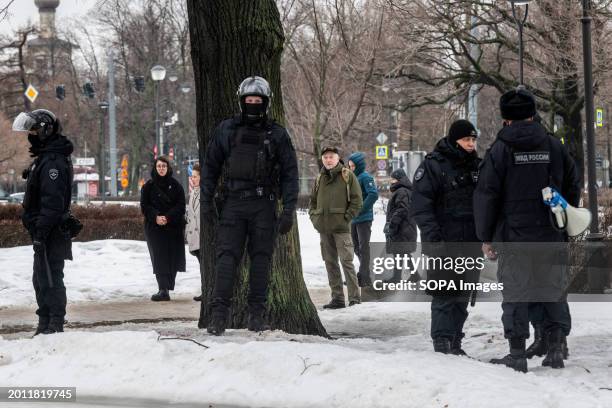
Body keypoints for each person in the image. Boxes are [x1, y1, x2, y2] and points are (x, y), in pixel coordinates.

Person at [474, 88, 581, 372]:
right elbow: (573, 182)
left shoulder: (499, 150)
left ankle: (517, 353)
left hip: (514, 236)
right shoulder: (553, 145)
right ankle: (556, 347)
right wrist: (565, 218)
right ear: (533, 114)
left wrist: (486, 236)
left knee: (516, 293)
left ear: (506, 118)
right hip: (550, 232)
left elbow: (487, 195)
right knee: (553, 288)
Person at [202, 76, 299, 335]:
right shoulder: (227, 130)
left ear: (266, 103)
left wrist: (289, 209)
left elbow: (291, 173)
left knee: (261, 260)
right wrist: (206, 202)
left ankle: (257, 315)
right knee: (226, 259)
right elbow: (210, 167)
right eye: (249, 100)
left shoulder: (277, 134)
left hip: (264, 205)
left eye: (258, 101)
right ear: (242, 101)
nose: (253, 104)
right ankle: (218, 315)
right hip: (233, 203)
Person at [411, 119, 481, 355]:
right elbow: (421, 206)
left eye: (473, 139)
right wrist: (433, 238)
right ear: (454, 140)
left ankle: (455, 341)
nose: (471, 144)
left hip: (471, 241)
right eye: (466, 139)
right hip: (443, 240)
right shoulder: (434, 165)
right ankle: (441, 343)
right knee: (444, 294)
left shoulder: (477, 166)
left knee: (463, 294)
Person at [13, 109, 75, 335]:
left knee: (50, 277)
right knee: (41, 278)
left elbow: (52, 204)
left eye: (34, 131)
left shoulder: (53, 162)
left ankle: (54, 324)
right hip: (46, 230)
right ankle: (45, 322)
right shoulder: (47, 158)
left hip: (51, 231)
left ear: (45, 131)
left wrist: (40, 233)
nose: (31, 136)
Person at [310, 146, 363, 309]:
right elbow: (312, 201)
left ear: (337, 158)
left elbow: (357, 201)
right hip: (324, 229)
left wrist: (345, 219)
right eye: (325, 157)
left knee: (346, 262)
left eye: (331, 157)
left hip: (341, 230)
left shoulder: (347, 175)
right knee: (330, 263)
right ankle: (338, 299)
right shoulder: (320, 177)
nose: (328, 160)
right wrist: (314, 218)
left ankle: (354, 298)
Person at [140, 156, 186, 301]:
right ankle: (163, 289)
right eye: (159, 166)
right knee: (159, 257)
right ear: (155, 168)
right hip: (154, 227)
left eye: (164, 166)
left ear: (168, 168)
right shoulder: (148, 186)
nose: (161, 169)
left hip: (173, 227)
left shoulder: (176, 186)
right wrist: (156, 217)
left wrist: (168, 217)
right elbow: (144, 206)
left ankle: (167, 287)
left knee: (172, 257)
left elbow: (181, 205)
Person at [348, 152, 379, 287]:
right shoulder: (353, 178)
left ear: (359, 165)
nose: (351, 168)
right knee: (356, 247)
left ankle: (365, 278)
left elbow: (373, 195)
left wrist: (360, 209)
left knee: (363, 247)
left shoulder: (366, 177)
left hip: (364, 218)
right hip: (353, 219)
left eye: (353, 166)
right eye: (349, 166)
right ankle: (364, 272)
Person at [384, 168, 417, 283]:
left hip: (402, 227)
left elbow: (402, 209)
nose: (391, 181)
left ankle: (397, 278)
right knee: (402, 252)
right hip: (404, 226)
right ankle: (414, 275)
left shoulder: (402, 191)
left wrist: (393, 224)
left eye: (393, 179)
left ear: (399, 179)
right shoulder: (403, 190)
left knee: (399, 252)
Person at [186, 163, 202, 302]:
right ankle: (205, 289)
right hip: (194, 236)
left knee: (204, 265)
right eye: (192, 177)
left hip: (201, 237)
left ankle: (207, 290)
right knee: (201, 265)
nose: (193, 179)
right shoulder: (193, 193)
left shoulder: (203, 192)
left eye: (195, 177)